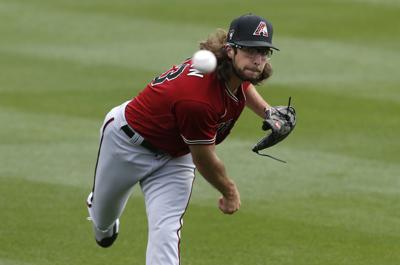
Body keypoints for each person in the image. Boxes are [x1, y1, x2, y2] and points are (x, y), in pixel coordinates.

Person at [86, 13, 279, 265]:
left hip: (176, 156)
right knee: (103, 219)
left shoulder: (230, 69)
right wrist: (229, 191)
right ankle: (99, 209)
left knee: (166, 229)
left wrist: (268, 112)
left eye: (264, 52)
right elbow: (205, 159)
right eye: (250, 50)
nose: (257, 60)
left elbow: (243, 84)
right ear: (230, 50)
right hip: (127, 143)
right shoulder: (197, 101)